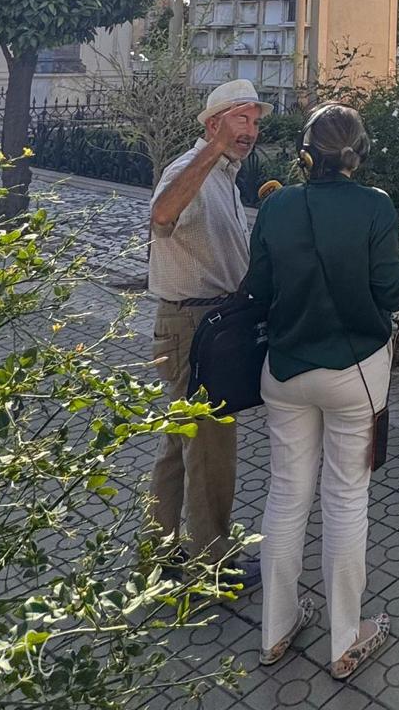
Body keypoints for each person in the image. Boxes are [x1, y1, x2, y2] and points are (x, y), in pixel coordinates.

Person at [244, 103, 399, 679]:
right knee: (347, 497)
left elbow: (256, 288)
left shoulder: (276, 205)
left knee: (284, 495)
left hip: (286, 369)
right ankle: (345, 639)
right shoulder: (375, 206)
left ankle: (275, 630)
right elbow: (393, 289)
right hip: (355, 372)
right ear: (359, 152)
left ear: (306, 153)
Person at [147, 77, 264, 586]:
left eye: (256, 122)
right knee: (211, 447)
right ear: (214, 124)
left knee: (181, 442)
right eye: (241, 119)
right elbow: (162, 214)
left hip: (206, 325)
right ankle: (213, 563)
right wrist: (211, 151)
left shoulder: (225, 176)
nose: (251, 130)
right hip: (193, 326)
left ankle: (159, 549)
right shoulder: (192, 167)